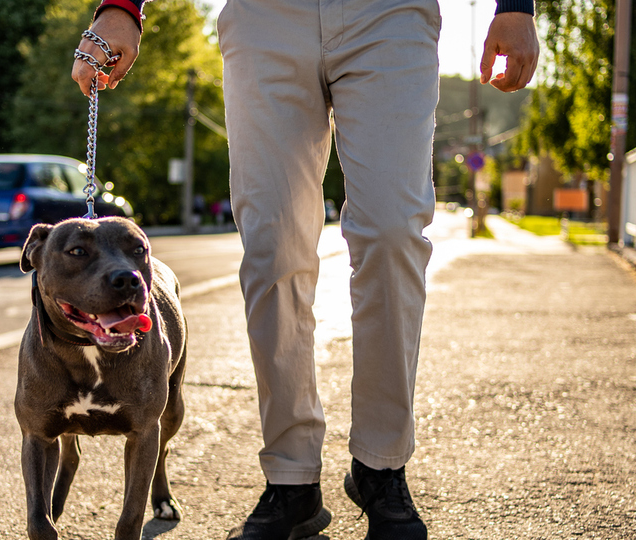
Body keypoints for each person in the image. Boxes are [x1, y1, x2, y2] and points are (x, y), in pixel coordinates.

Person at [73, 1, 539, 538]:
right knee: (272, 247)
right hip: (265, 16)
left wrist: (516, 5)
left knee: (393, 233)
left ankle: (380, 466)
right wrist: (122, 7)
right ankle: (291, 478)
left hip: (388, 14)